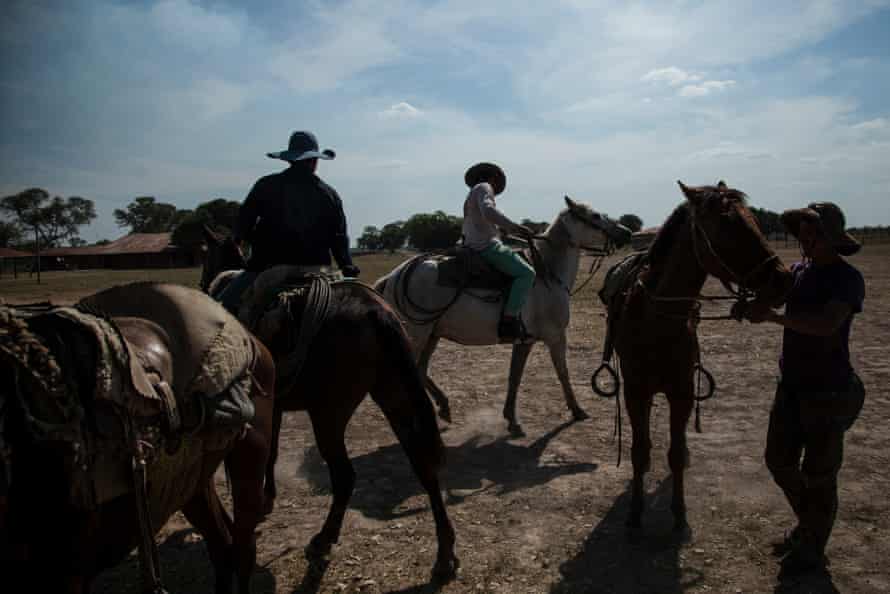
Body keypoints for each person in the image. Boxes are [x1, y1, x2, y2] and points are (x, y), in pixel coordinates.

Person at [743, 202, 865, 577]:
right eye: (803, 234)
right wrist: (751, 306)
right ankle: (809, 527)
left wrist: (774, 316)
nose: (806, 240)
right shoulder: (796, 272)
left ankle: (812, 549)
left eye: (814, 234)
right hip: (792, 387)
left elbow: (827, 324)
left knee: (819, 474)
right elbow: (773, 298)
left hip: (829, 391)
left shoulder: (846, 279)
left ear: (832, 239)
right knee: (778, 461)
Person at [218, 131, 359, 313]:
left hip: (272, 269)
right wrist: (347, 269)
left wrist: (253, 241)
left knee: (223, 306)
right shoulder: (329, 194)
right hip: (320, 271)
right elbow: (339, 238)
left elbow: (243, 224)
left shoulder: (266, 185)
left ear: (290, 159)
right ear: (315, 161)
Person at [461, 162, 535, 341]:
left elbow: (482, 221)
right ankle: (509, 321)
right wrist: (515, 227)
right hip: (484, 246)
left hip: (471, 243)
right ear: (493, 178)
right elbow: (489, 211)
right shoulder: (485, 187)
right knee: (527, 274)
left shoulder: (472, 193)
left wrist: (500, 230)